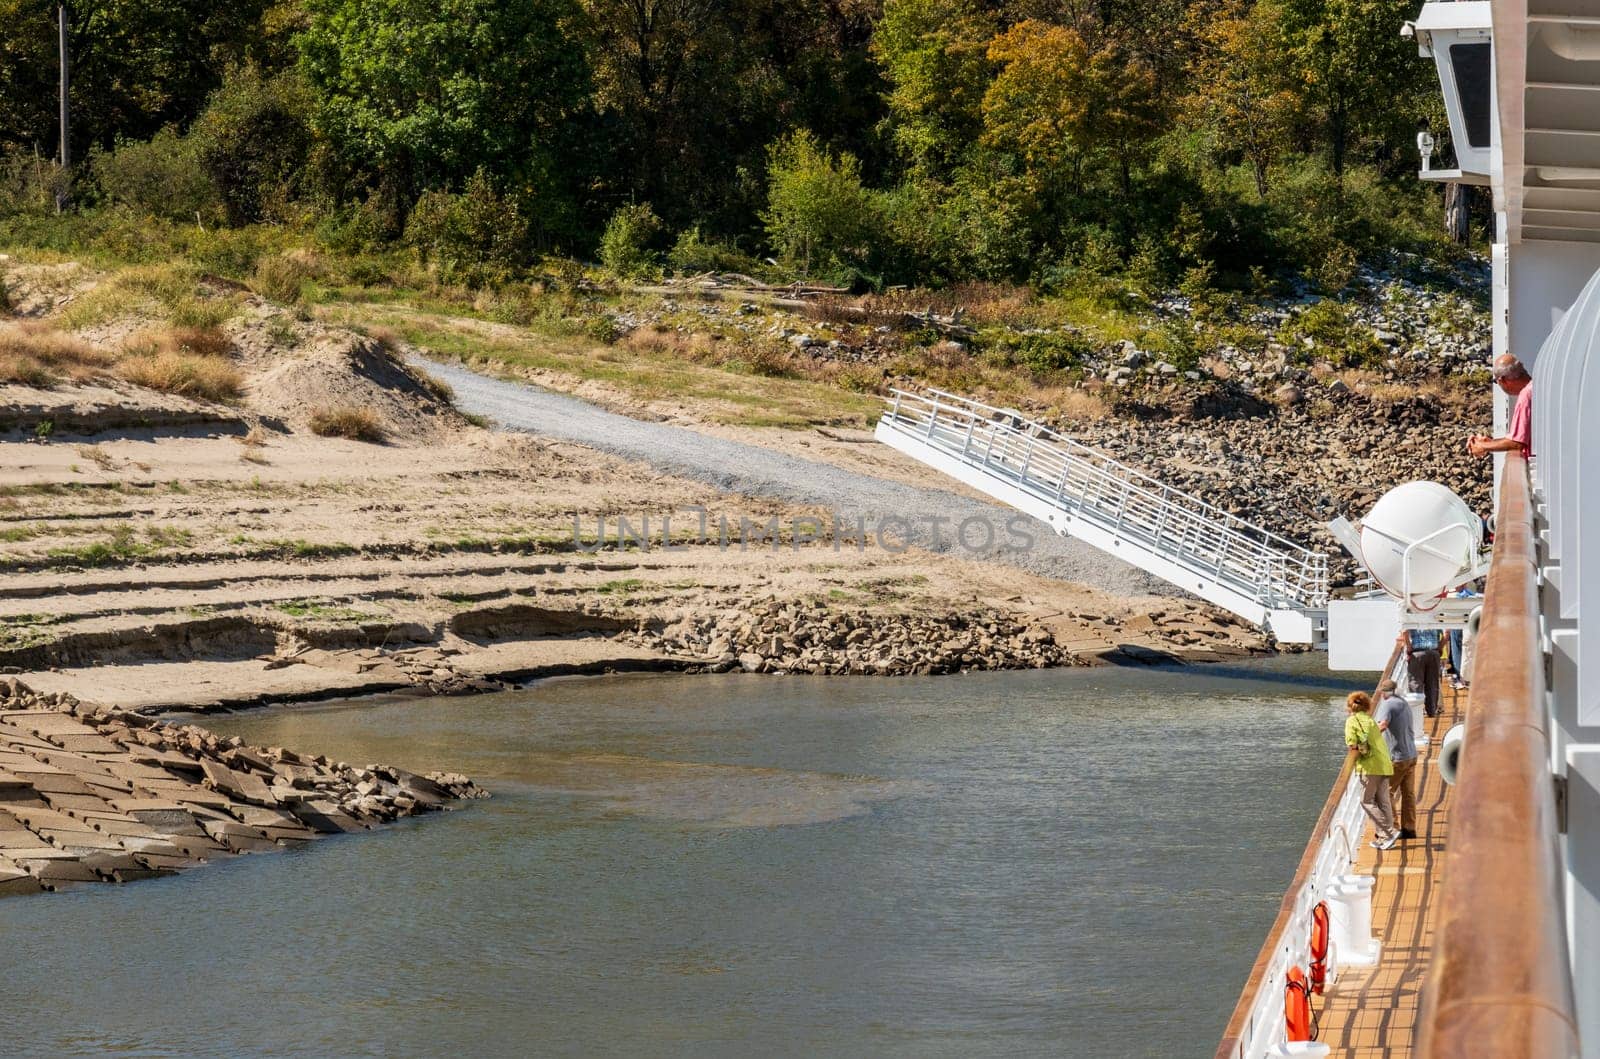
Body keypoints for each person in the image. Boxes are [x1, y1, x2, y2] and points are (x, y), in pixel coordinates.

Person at [1345, 691, 1399, 850]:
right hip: (1384, 763)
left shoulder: (1351, 721)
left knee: (1367, 801)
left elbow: (1352, 745)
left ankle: (1389, 832)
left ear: (1350, 706)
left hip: (1370, 766)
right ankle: (1385, 838)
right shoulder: (1370, 720)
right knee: (1383, 801)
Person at [1374, 679, 1418, 840]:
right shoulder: (1403, 702)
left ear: (1384, 693)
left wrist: (1367, 739)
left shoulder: (1388, 704)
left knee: (1386, 793)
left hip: (1397, 758)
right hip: (1411, 754)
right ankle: (1409, 829)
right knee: (1408, 794)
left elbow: (1383, 724)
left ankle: (1392, 829)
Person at [1467, 354, 1533, 459]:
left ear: (1503, 380)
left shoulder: (1526, 395)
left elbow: (1517, 443)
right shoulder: (1537, 387)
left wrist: (1481, 446)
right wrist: (1491, 443)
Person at [1403, 628, 1443, 717]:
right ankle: (1431, 711)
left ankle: (1417, 711)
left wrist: (1409, 648)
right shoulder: (1434, 616)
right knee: (1433, 683)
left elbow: (1404, 631)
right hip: (1433, 652)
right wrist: (1440, 647)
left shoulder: (1413, 615)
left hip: (1417, 653)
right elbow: (1447, 632)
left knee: (1416, 683)